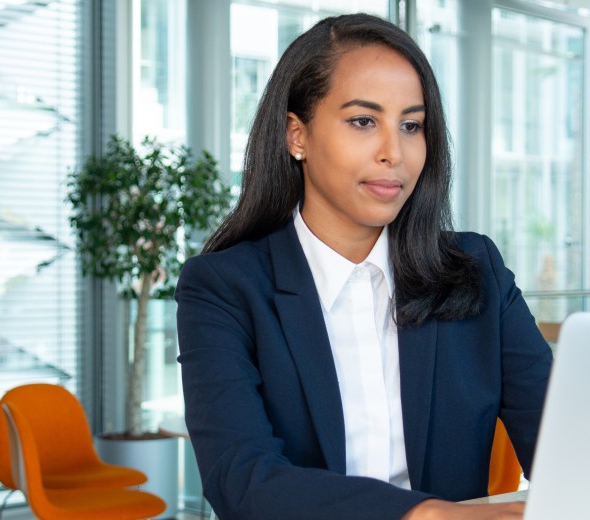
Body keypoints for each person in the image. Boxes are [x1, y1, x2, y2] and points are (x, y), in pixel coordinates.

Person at [175, 13, 552, 520]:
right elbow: (242, 481)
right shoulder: (222, 289)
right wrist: (427, 514)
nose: (393, 152)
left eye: (411, 125)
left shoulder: (475, 270)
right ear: (297, 136)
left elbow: (561, 448)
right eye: (363, 121)